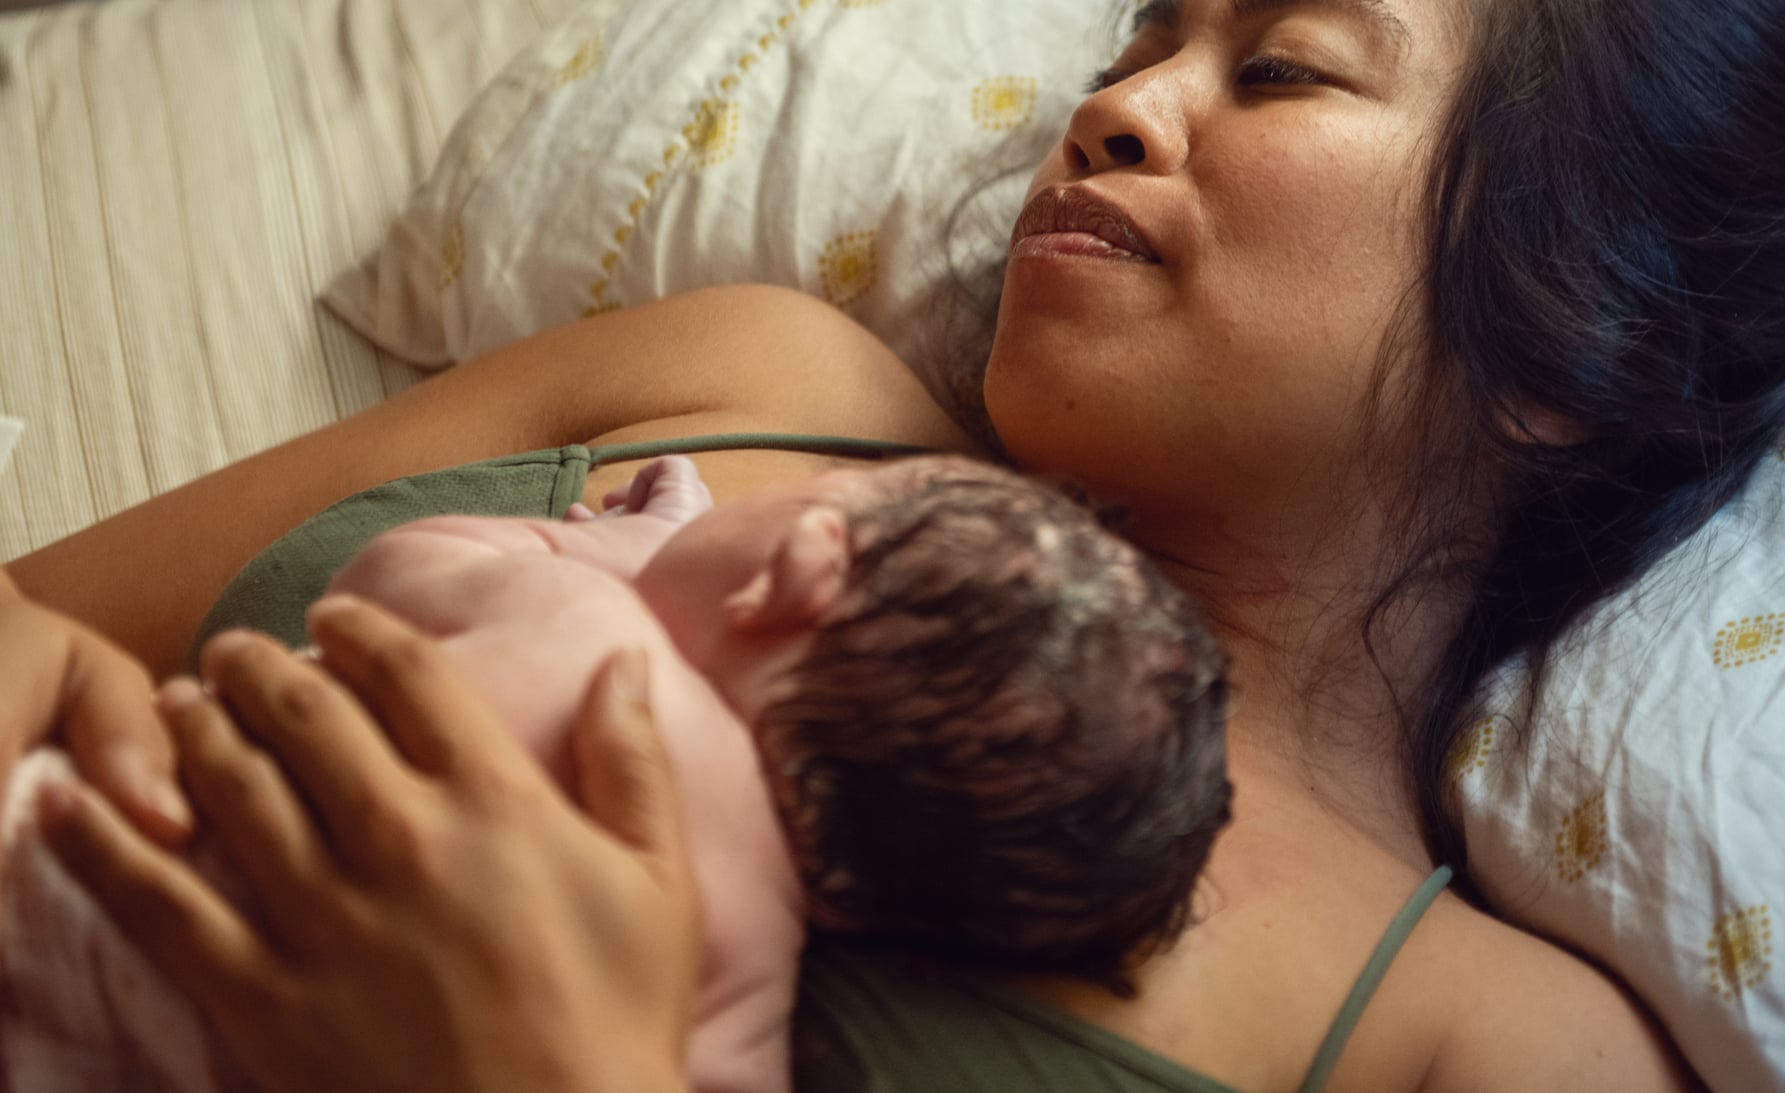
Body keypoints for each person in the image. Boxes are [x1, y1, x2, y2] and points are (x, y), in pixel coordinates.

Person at [1, 0, 1785, 1092]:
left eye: (1284, 70)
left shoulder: (1480, 1045)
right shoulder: (745, 377)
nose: (1116, 107)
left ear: (1571, 339)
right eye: (1139, 48)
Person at [1, 453, 1231, 1093]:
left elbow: (383, 584)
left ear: (797, 572)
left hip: (66, 881)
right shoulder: (756, 959)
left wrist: (604, 553)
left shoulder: (593, 635)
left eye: (813, 493)